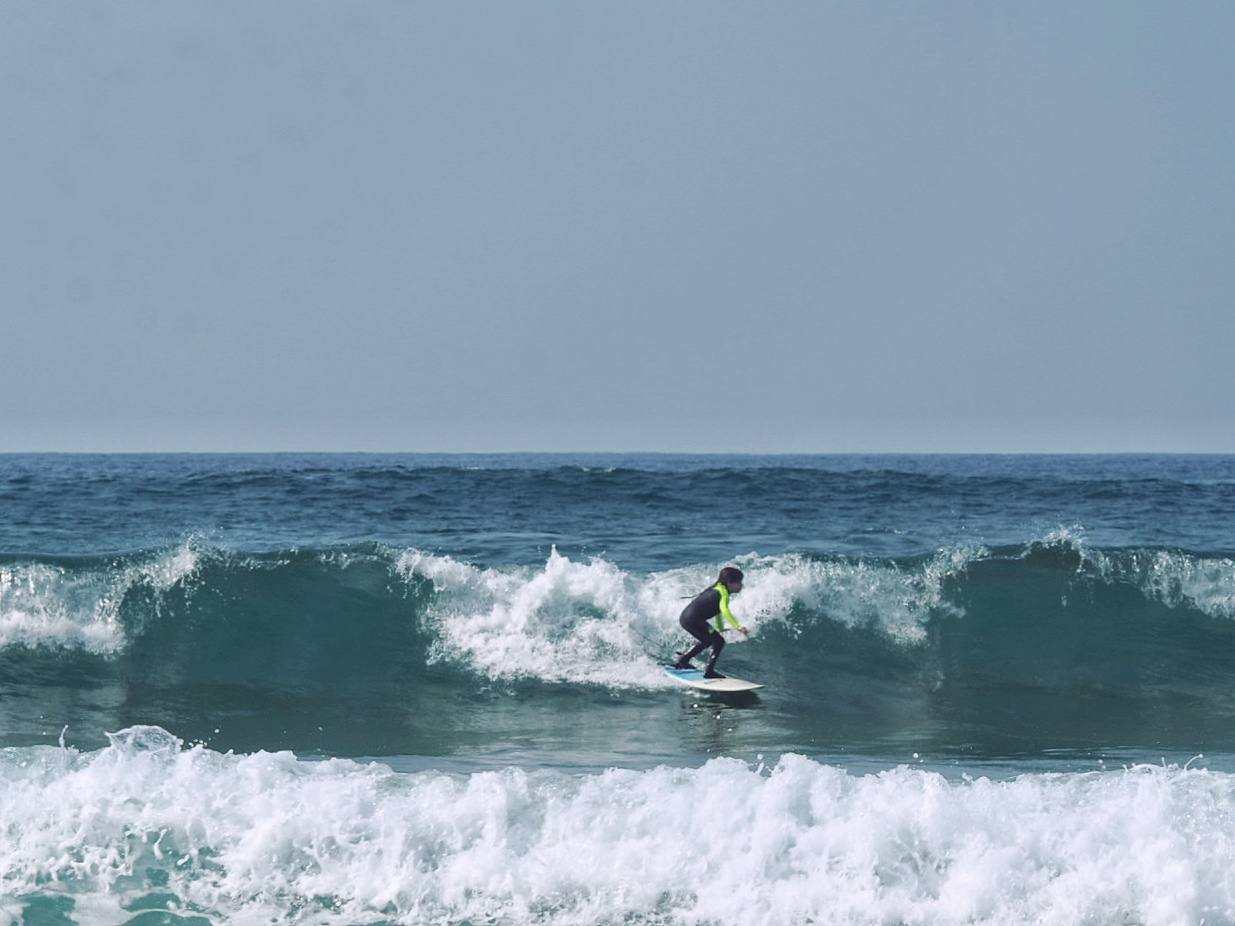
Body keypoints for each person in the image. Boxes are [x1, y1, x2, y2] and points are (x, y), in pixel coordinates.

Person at [672, 566, 749, 678]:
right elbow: (725, 611)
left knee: (707, 641)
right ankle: (708, 671)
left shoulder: (718, 588)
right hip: (694, 620)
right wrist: (738, 627)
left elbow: (717, 611)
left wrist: (720, 627)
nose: (741, 585)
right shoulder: (723, 594)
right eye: (739, 582)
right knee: (719, 642)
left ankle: (683, 660)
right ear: (729, 583)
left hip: (686, 619)